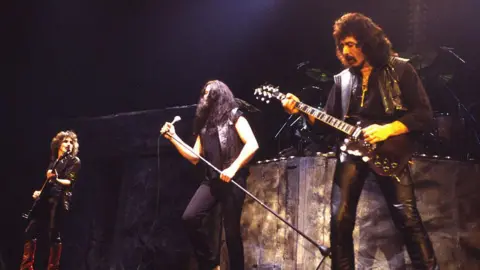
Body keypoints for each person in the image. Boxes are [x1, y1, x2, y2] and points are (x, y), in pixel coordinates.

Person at [281, 13, 438, 269]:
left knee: (408, 219)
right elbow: (325, 124)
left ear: (369, 43)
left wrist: (388, 129)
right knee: (339, 219)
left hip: (391, 151)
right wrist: (300, 110)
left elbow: (423, 114)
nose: (346, 50)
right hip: (350, 151)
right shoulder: (342, 80)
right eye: (343, 45)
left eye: (352, 44)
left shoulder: (400, 69)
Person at [160, 80, 259, 270]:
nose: (205, 97)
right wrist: (174, 137)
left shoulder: (234, 116)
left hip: (232, 180)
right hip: (212, 181)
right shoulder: (204, 125)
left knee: (231, 233)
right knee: (189, 217)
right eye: (204, 93)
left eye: (209, 94)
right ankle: (211, 265)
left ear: (220, 95)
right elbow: (195, 157)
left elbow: (252, 144)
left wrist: (233, 168)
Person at [20, 131, 81, 270]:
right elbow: (48, 183)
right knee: (30, 230)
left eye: (71, 142)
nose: (68, 145)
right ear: (59, 144)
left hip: (59, 200)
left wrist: (57, 179)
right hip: (46, 199)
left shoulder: (74, 161)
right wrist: (39, 192)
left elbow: (70, 181)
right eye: (66, 141)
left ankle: (53, 268)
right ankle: (26, 267)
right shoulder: (53, 162)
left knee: (54, 234)